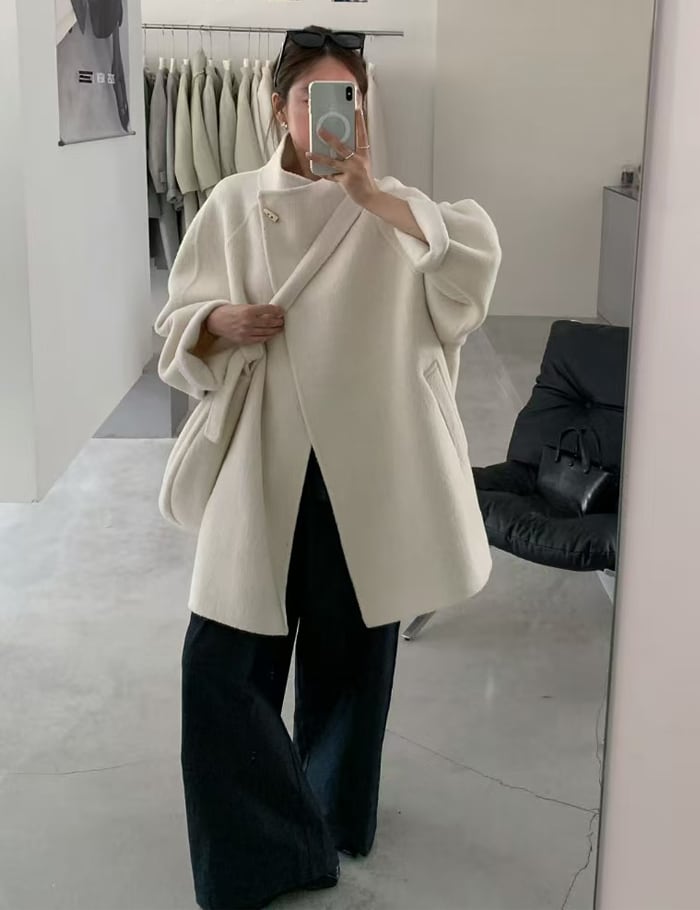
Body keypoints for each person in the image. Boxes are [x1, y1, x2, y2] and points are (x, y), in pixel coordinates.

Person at [155, 25, 502, 910]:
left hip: (369, 468)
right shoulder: (234, 202)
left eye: (348, 96)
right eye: (312, 98)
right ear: (280, 108)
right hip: (264, 464)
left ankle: (331, 816)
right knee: (220, 665)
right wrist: (215, 322)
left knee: (352, 663)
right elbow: (177, 318)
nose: (330, 114)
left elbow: (468, 283)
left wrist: (374, 196)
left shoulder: (397, 208)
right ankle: (262, 851)